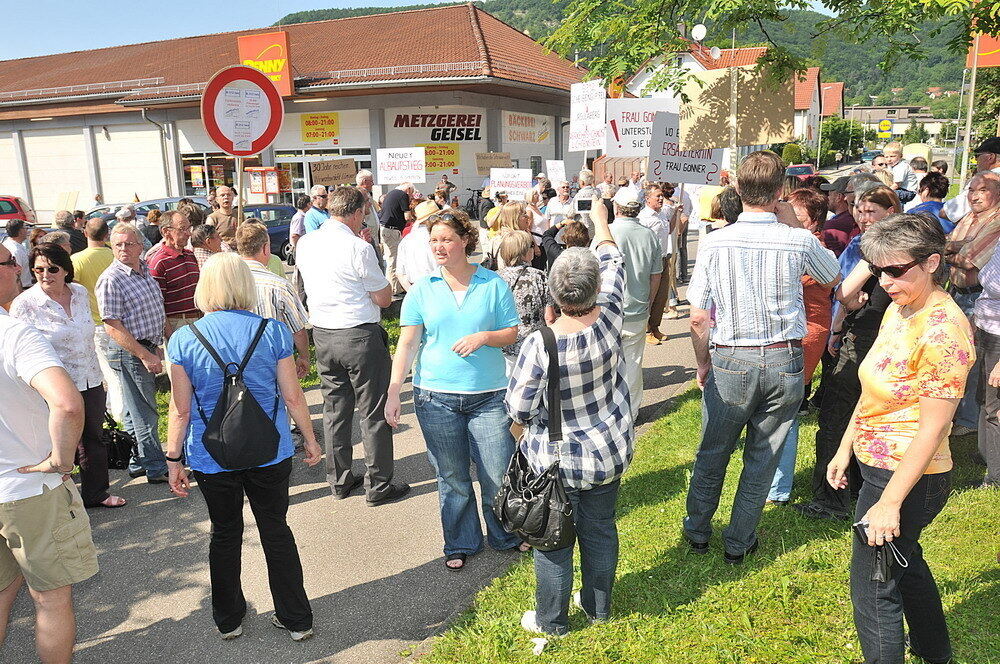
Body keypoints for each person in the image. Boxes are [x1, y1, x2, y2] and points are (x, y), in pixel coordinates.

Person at [827, 213, 972, 664]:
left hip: (910, 476)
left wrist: (888, 503)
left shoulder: (944, 331)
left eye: (895, 270)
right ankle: (935, 652)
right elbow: (874, 385)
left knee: (873, 587)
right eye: (876, 269)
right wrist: (845, 446)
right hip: (879, 465)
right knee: (903, 564)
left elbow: (934, 427)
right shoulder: (900, 306)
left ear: (931, 263)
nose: (884, 281)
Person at [684, 150, 840, 561]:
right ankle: (738, 541)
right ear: (781, 191)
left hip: (732, 356)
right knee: (763, 454)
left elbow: (699, 317)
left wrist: (703, 363)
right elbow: (833, 276)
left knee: (713, 450)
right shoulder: (797, 239)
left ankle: (698, 531)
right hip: (782, 358)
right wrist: (791, 221)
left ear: (736, 187)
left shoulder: (715, 241)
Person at [165, 252, 322, 642]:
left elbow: (180, 410)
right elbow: (293, 397)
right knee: (276, 529)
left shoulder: (185, 338)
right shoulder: (273, 332)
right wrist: (311, 437)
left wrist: (173, 458)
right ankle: (297, 619)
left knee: (224, 532)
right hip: (270, 449)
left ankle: (228, 619)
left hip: (211, 454)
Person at [506, 196, 632, 637]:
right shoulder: (612, 313)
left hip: (555, 461)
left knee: (554, 543)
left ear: (553, 295)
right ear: (595, 289)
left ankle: (553, 623)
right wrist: (601, 219)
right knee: (600, 530)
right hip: (608, 451)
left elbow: (519, 408)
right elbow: (612, 257)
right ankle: (599, 610)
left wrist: (522, 433)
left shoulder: (541, 343)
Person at [385, 210, 522, 570]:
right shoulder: (422, 289)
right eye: (433, 240)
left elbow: (512, 332)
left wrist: (485, 337)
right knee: (452, 477)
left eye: (446, 239)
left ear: (465, 241)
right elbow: (407, 344)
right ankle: (460, 541)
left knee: (496, 472)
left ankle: (504, 534)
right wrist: (394, 390)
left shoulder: (493, 284)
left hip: (490, 395)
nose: (439, 246)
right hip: (435, 397)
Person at [0, 241, 97, 663]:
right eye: (10, 263)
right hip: (28, 490)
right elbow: (67, 402)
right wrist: (60, 460)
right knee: (51, 601)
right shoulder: (15, 334)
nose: (18, 269)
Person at [794, 185, 901, 521]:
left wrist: (847, 303)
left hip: (869, 339)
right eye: (859, 208)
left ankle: (832, 499)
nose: (862, 216)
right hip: (866, 333)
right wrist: (840, 323)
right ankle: (855, 489)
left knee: (839, 419)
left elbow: (843, 291)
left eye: (871, 211)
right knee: (861, 416)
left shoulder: (878, 250)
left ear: (891, 212)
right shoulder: (879, 244)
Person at [296, 187, 408, 505]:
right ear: (357, 213)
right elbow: (383, 298)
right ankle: (379, 484)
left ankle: (339, 479)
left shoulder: (306, 242)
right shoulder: (357, 247)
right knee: (373, 411)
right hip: (359, 334)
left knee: (335, 411)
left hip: (324, 334)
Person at [11, 243, 124, 509]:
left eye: (52, 268)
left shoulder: (80, 293)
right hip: (54, 386)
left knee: (93, 438)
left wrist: (101, 376)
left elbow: (87, 336)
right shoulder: (25, 304)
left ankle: (96, 493)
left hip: (90, 377)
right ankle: (56, 498)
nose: (45, 274)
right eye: (38, 269)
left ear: (66, 270)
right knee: (58, 443)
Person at [767, 189, 834, 505]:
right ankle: (772, 481)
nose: (786, 219)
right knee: (778, 409)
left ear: (814, 222)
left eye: (796, 216)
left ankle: (778, 488)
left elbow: (787, 279)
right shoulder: (793, 241)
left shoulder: (813, 246)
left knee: (785, 411)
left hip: (806, 335)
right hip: (791, 332)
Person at [95, 223, 170, 484]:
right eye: (118, 245)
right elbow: (112, 326)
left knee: (132, 409)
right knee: (144, 411)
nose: (123, 249)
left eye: (129, 243)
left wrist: (156, 344)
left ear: (140, 246)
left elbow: (153, 309)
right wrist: (144, 354)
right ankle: (156, 467)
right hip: (129, 350)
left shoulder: (144, 269)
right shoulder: (111, 278)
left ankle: (138, 461)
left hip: (145, 345)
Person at [944, 171, 1000, 436]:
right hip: (958, 291)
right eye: (971, 190)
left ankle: (967, 420)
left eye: (982, 190)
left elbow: (970, 261)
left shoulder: (997, 220)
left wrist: (956, 249)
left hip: (977, 298)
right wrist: (960, 245)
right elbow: (945, 246)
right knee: (956, 353)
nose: (973, 195)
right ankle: (957, 413)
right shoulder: (969, 217)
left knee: (974, 358)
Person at [608, 187, 662, 420]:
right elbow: (656, 274)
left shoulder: (606, 232)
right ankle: (630, 412)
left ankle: (609, 410)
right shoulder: (648, 234)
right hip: (637, 308)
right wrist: (648, 303)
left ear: (616, 207)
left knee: (608, 363)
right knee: (633, 362)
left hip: (609, 309)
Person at [235, 222, 310, 379]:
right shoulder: (279, 285)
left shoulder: (224, 284)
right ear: (265, 248)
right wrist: (304, 357)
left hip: (235, 361)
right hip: (273, 363)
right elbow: (298, 330)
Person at [72, 218, 122, 421]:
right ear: (106, 234)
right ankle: (117, 409)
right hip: (119, 321)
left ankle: (119, 414)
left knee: (110, 374)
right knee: (118, 370)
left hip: (97, 323)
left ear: (85, 233)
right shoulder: (115, 254)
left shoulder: (77, 260)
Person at [496, 230, 554, 372]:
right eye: (531, 246)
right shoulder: (539, 277)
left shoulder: (495, 278)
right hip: (533, 344)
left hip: (503, 346)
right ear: (524, 252)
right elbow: (550, 317)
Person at [147, 211, 200, 339]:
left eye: (189, 228)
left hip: (198, 321)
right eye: (182, 229)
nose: (188, 233)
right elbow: (158, 307)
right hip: (177, 325)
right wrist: (171, 338)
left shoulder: (190, 255)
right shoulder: (159, 262)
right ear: (166, 232)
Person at [974, 244, 1000, 488]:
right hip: (986, 330)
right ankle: (987, 456)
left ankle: (996, 478)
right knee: (983, 399)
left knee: (995, 408)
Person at [638, 185, 677, 344]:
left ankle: (655, 327)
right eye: (657, 196)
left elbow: (669, 230)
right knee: (650, 297)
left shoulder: (662, 214)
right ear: (648, 199)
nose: (661, 199)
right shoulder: (643, 217)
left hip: (663, 258)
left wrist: (675, 214)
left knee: (661, 297)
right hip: (650, 261)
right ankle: (646, 330)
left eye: (661, 196)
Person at [942, 137, 1000, 223]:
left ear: (991, 157)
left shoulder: (985, 180)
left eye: (977, 156)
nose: (976, 160)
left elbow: (947, 212)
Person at [379, 182, 415, 295]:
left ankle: (396, 287)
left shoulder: (391, 193)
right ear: (408, 189)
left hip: (386, 229)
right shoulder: (402, 195)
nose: (410, 197)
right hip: (392, 230)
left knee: (392, 259)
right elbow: (407, 216)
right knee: (394, 260)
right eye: (411, 194)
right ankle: (394, 289)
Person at [397, 200, 439, 292]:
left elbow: (400, 274)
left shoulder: (406, 240)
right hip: (439, 286)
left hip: (415, 287)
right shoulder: (437, 237)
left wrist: (412, 292)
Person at [819, 176, 860, 256]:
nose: (828, 198)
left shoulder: (832, 225)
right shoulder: (855, 218)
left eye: (830, 194)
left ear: (839, 197)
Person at [2, 219, 31, 289]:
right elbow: (16, 274)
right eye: (25, 228)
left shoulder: (17, 246)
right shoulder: (15, 250)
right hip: (21, 289)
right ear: (20, 231)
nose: (28, 230)